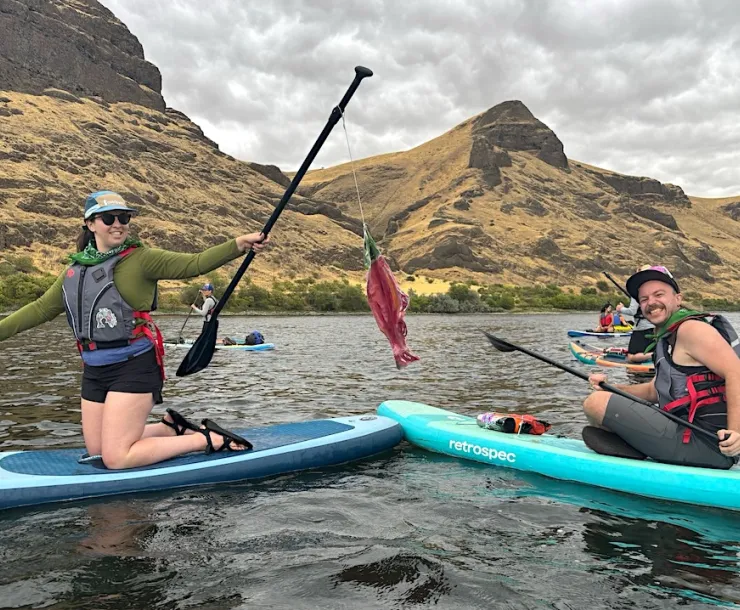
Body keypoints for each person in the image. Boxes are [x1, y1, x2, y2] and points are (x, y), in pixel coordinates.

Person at [0, 190, 270, 470]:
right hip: (94, 370)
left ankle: (207, 440)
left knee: (116, 458)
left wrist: (238, 244)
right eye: (108, 218)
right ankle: (170, 428)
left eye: (124, 217)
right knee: (97, 452)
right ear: (91, 224)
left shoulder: (142, 259)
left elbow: (195, 263)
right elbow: (40, 309)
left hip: (134, 366)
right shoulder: (75, 270)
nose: (117, 223)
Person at [582, 265, 740, 469]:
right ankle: (642, 453)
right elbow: (652, 390)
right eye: (644, 299)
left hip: (709, 443)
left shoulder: (691, 329)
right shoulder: (665, 339)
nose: (651, 303)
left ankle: (637, 456)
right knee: (602, 401)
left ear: (678, 299)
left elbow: (736, 372)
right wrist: (611, 388)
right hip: (684, 432)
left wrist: (736, 432)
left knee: (595, 403)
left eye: (659, 294)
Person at [616, 265, 655, 363]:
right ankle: (658, 355)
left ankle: (656, 355)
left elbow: (632, 311)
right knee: (649, 348)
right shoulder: (656, 290)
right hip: (655, 327)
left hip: (642, 328)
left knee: (631, 357)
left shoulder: (639, 291)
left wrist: (621, 309)